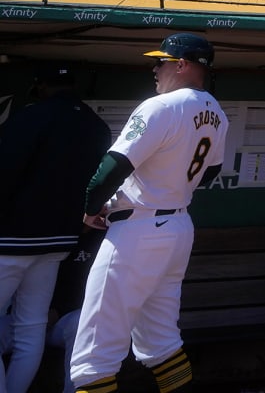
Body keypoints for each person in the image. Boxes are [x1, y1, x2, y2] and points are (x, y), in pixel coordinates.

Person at [71, 33, 228, 393]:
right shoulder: (216, 112)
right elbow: (212, 172)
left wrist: (91, 209)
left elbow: (112, 168)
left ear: (182, 65)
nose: (154, 69)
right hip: (177, 227)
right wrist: (173, 185)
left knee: (93, 355)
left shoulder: (160, 106)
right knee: (160, 342)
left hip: (138, 230)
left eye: (161, 61)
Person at [0, 65, 110, 393]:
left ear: (40, 86)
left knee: (26, 329)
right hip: (59, 241)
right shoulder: (96, 125)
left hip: (11, 239)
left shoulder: (31, 116)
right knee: (30, 329)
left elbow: (5, 171)